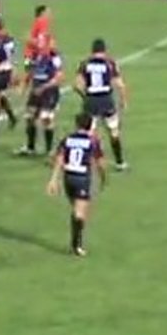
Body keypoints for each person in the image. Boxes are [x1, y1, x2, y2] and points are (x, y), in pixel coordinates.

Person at [46, 113, 108, 257]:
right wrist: (104, 178)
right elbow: (100, 163)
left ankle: (76, 240)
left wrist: (54, 179)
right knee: (80, 212)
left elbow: (59, 159)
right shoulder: (93, 141)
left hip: (68, 176)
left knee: (77, 209)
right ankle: (77, 245)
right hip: (82, 177)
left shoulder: (67, 139)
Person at [75, 38, 128, 171]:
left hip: (91, 100)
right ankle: (120, 162)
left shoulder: (85, 63)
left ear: (92, 50)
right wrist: (123, 101)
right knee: (113, 131)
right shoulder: (110, 63)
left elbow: (77, 85)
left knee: (89, 132)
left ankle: (87, 162)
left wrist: (85, 96)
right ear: (104, 50)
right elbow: (120, 85)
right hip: (106, 100)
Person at [19, 39, 63, 156]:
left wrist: (43, 87)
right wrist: (23, 87)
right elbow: (29, 73)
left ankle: (49, 150)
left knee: (46, 119)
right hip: (35, 91)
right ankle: (30, 147)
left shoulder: (54, 58)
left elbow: (58, 78)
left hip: (50, 92)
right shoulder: (33, 56)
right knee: (29, 118)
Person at [24, 5, 51, 70]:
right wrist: (43, 52)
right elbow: (41, 38)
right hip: (35, 54)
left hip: (28, 53)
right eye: (47, 12)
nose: (49, 14)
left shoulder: (36, 21)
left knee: (28, 73)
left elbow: (30, 37)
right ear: (42, 13)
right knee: (38, 74)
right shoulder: (42, 21)